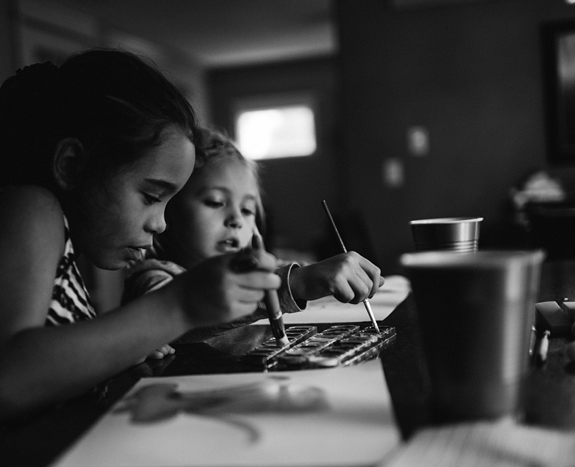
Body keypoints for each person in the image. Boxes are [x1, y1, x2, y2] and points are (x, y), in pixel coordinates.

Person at [0, 50, 281, 467]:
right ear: (71, 165)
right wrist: (179, 306)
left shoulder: (60, 245)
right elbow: (4, 381)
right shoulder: (29, 209)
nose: (160, 223)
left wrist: (111, 361)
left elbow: (46, 368)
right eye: (151, 195)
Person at [122, 127, 383, 344]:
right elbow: (171, 320)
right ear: (170, 210)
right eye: (215, 202)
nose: (236, 220)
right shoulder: (153, 278)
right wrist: (295, 283)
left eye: (247, 210)